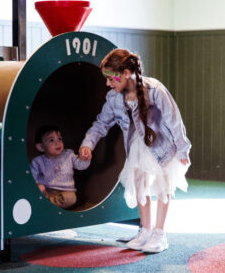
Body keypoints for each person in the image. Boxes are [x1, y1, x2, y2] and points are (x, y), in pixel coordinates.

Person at [79, 49, 191, 253]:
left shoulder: (155, 89)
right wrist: (88, 143)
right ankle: (145, 230)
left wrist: (183, 149)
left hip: (161, 146)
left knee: (163, 185)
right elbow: (101, 123)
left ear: (126, 73)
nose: (108, 84)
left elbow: (174, 119)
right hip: (136, 147)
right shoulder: (114, 98)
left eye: (111, 78)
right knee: (139, 185)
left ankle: (159, 233)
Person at [30, 125, 90, 209]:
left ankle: (46, 205)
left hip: (66, 192)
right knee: (35, 192)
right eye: (51, 140)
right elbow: (31, 176)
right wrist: (37, 184)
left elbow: (80, 166)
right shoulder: (38, 161)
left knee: (71, 198)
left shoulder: (69, 154)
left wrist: (84, 159)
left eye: (60, 139)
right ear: (41, 147)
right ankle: (47, 204)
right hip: (47, 190)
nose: (57, 143)